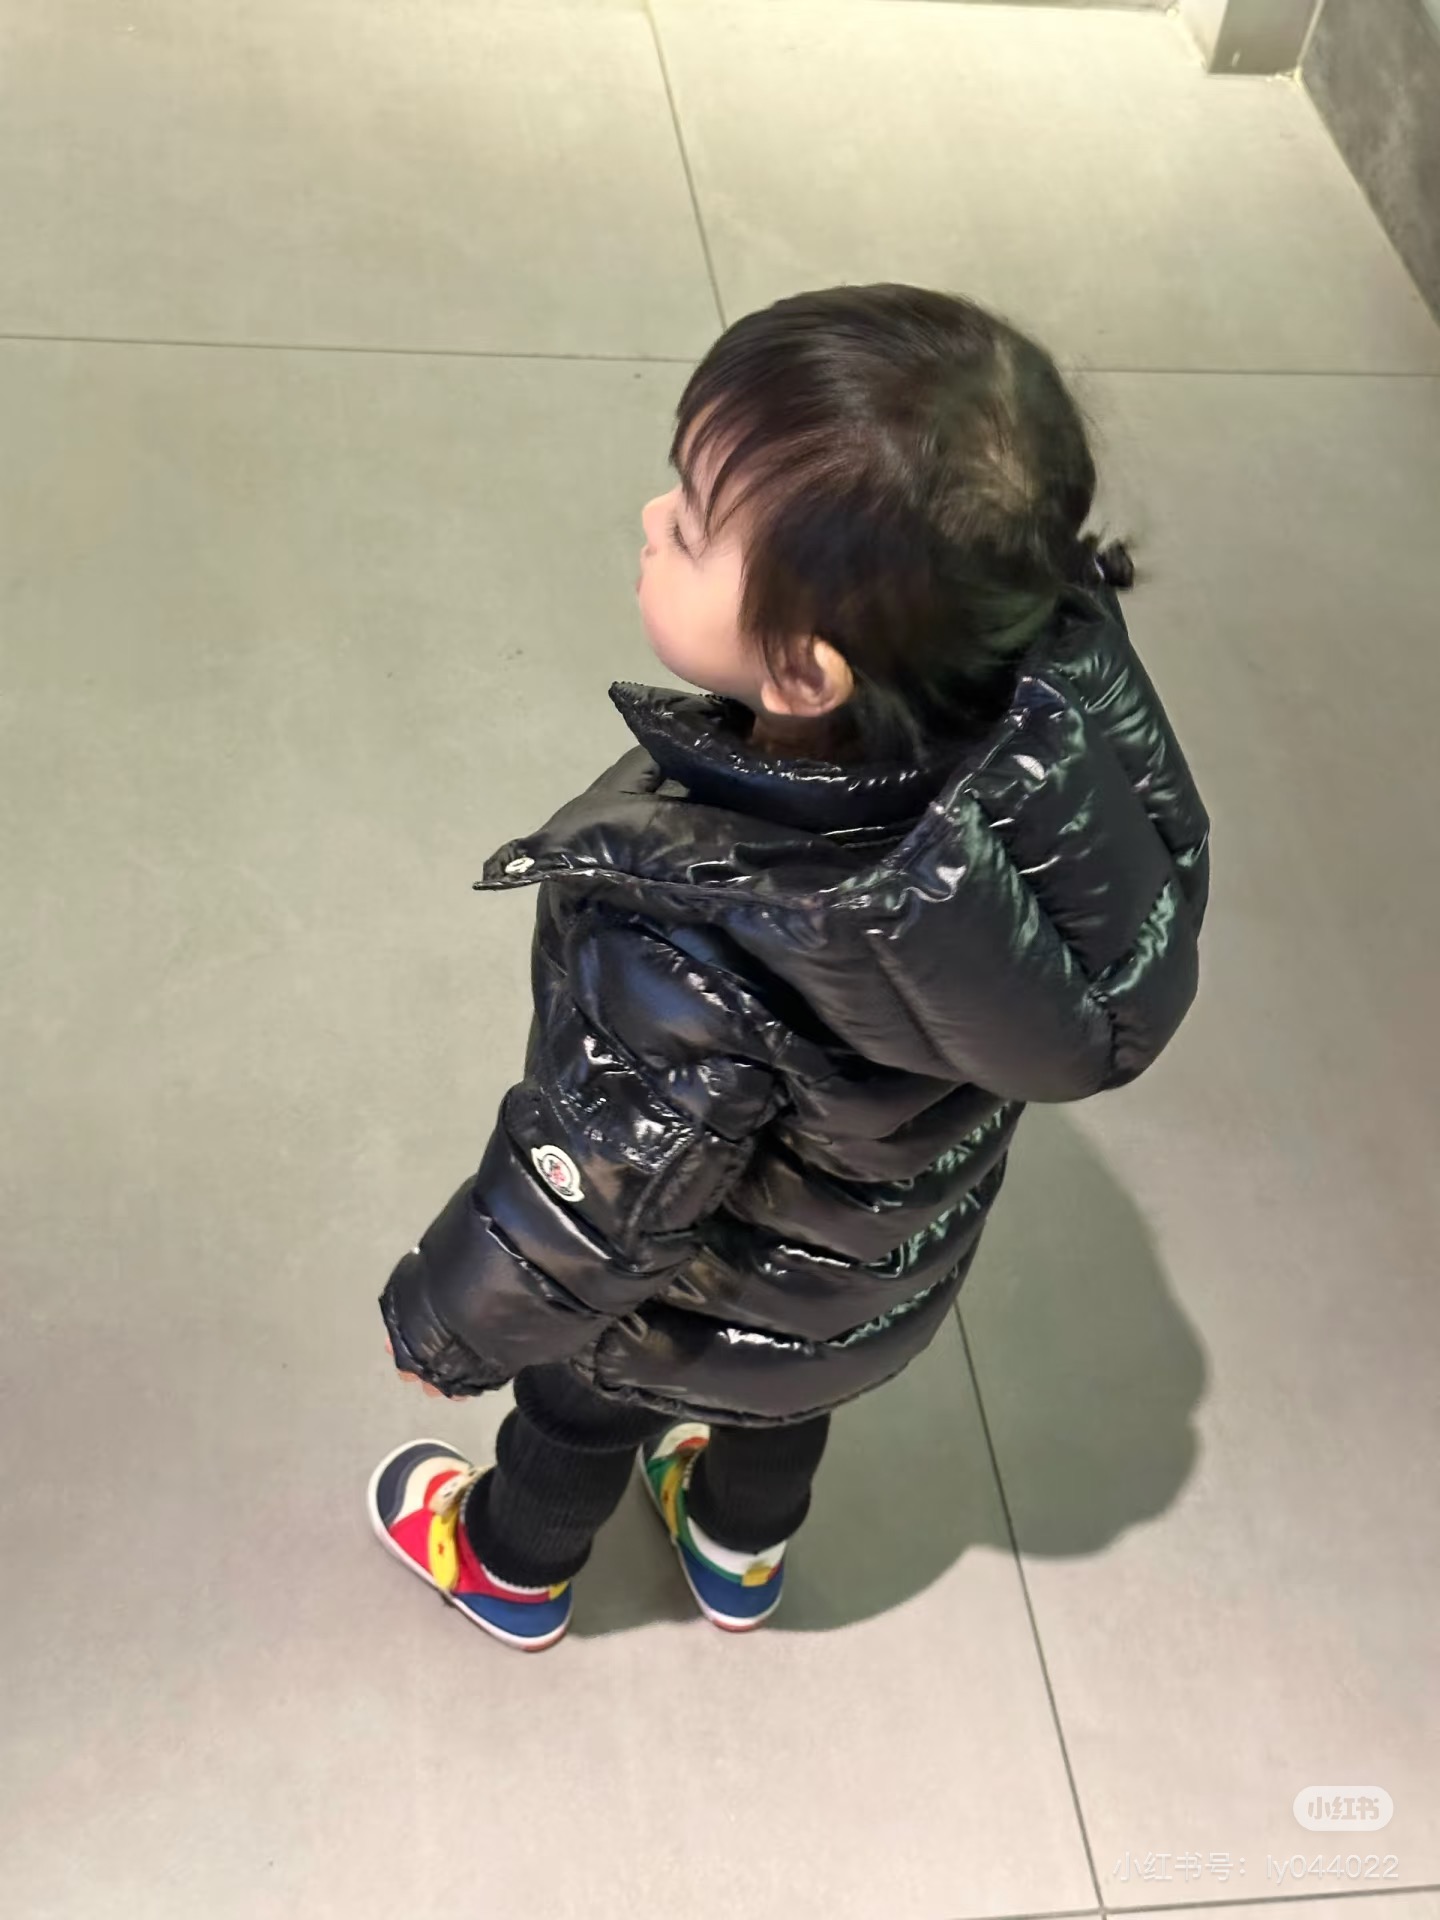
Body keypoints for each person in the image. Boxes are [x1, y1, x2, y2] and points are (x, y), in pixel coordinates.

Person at [368, 284, 1210, 1652]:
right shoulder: (1042, 762)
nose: (652, 519)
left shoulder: (702, 928)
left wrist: (446, 1326)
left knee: (582, 1401)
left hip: (687, 1298)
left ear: (808, 675)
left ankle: (512, 1566)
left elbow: (593, 1198)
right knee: (785, 1397)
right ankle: (738, 1554)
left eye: (694, 526)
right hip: (863, 1287)